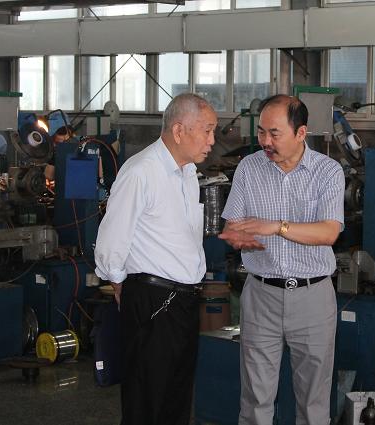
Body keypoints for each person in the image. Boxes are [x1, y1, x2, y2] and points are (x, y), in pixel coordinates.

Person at [219, 94, 345, 425]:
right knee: (255, 399)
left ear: (301, 133)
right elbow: (233, 225)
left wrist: (276, 227)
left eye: (274, 133)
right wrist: (237, 236)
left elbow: (329, 232)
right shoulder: (249, 168)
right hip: (261, 295)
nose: (265, 141)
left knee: (314, 400)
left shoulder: (327, 172)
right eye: (261, 132)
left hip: (313, 296)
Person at [94, 93, 217, 425]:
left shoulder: (187, 174)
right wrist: (117, 280)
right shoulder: (141, 172)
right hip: (152, 301)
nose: (212, 141)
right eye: (206, 131)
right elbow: (112, 236)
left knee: (176, 400)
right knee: (146, 399)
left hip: (183, 302)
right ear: (178, 130)